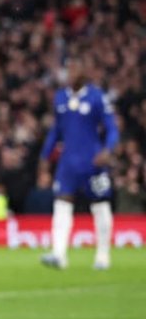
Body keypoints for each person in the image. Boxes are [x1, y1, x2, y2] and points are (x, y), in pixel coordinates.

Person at [38, 55, 119, 270]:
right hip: (68, 163)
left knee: (100, 205)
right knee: (61, 204)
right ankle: (58, 254)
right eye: (68, 69)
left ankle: (103, 256)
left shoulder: (97, 97)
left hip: (93, 162)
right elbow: (56, 131)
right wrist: (45, 157)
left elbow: (112, 128)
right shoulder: (60, 98)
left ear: (84, 72)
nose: (70, 73)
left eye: (75, 69)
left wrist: (107, 150)